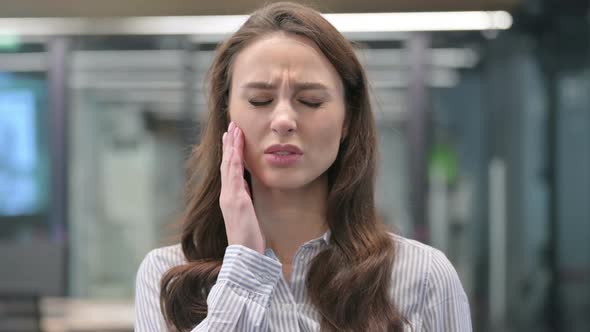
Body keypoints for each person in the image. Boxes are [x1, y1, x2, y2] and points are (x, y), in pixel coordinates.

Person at [135, 2, 472, 331]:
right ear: (227, 115)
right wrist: (244, 264)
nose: (283, 120)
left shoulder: (424, 277)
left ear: (347, 121)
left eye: (311, 101)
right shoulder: (168, 277)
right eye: (259, 100)